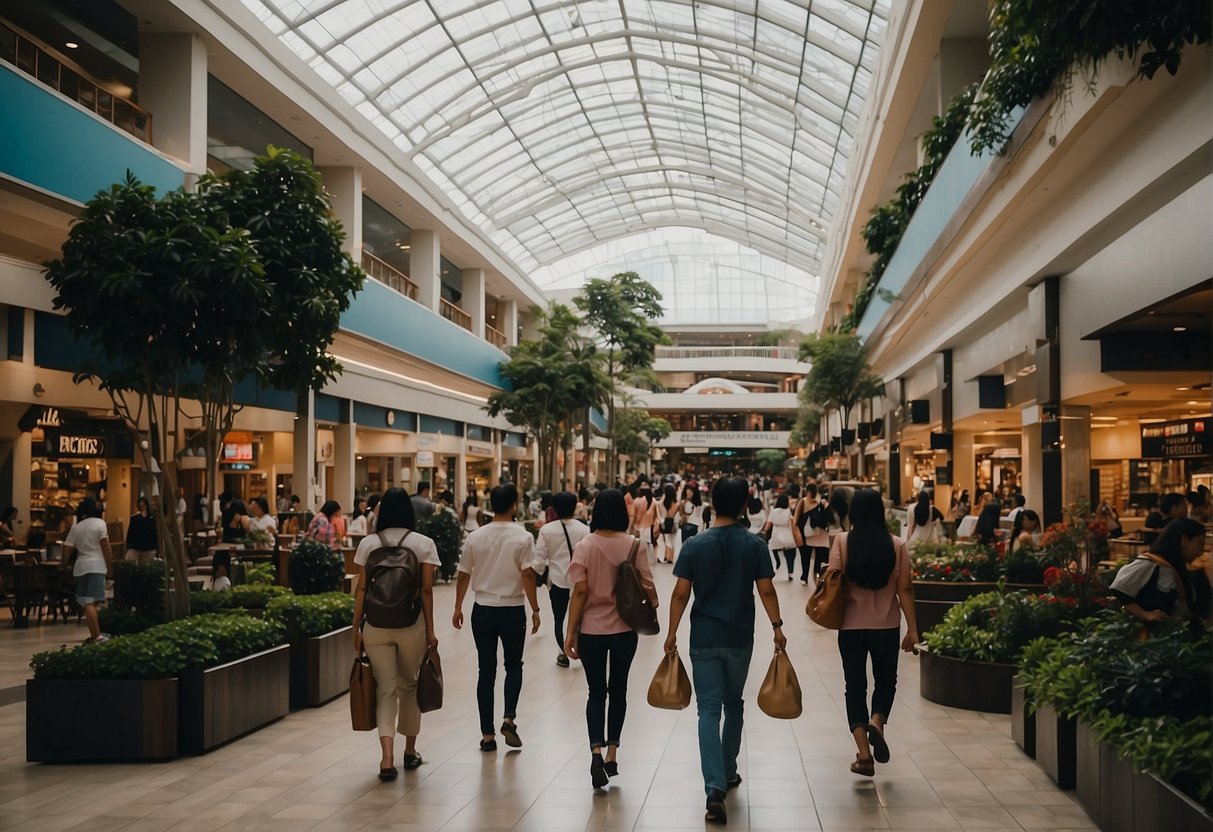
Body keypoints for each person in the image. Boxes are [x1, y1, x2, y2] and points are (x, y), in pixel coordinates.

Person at [665, 477, 786, 825]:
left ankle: (714, 789)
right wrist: (778, 627)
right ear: (745, 506)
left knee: (707, 711)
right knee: (734, 704)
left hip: (703, 637)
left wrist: (672, 632)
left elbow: (679, 594)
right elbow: (766, 591)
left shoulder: (694, 544)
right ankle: (729, 771)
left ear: (713, 504)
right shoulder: (754, 545)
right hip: (738, 637)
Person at [564, 488, 656, 789]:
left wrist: (570, 630)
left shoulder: (585, 545)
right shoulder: (635, 546)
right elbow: (650, 592)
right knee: (619, 689)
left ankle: (595, 751)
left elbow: (579, 591)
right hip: (624, 631)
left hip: (590, 630)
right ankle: (613, 754)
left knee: (596, 692)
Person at [352, 487, 440, 780]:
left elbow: (361, 589)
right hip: (411, 624)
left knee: (385, 688)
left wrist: (356, 627)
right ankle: (409, 751)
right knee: (409, 685)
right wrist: (431, 630)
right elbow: (426, 590)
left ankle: (386, 758)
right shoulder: (423, 543)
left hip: (375, 625)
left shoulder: (368, 544)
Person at [830, 488, 918, 778]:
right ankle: (877, 721)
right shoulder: (897, 545)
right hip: (887, 627)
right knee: (886, 682)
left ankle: (864, 755)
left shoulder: (842, 543)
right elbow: (904, 589)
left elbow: (833, 584)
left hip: (851, 627)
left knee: (854, 687)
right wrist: (913, 630)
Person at [452, 484, 540, 751]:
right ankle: (509, 718)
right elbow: (527, 575)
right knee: (514, 665)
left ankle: (487, 735)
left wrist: (458, 606)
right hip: (512, 609)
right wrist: (535, 608)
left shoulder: (476, 536)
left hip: (483, 610)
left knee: (486, 670)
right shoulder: (523, 537)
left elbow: (464, 573)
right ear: (514, 505)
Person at [532, 491, 590, 668]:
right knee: (580, 616)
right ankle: (579, 647)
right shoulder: (583, 529)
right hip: (579, 581)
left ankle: (563, 653)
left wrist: (536, 577)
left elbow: (540, 559)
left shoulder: (547, 530)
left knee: (559, 617)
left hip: (556, 580)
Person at [1110, 517, 1207, 622]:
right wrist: (1146, 615)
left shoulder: (1177, 568)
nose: (1201, 551)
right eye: (1199, 544)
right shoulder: (1150, 564)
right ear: (1184, 540)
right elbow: (1119, 589)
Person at [62, 497, 112, 643]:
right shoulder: (100, 524)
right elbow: (106, 547)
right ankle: (98, 637)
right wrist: (110, 568)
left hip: (81, 567)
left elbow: (67, 548)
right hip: (97, 566)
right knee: (91, 602)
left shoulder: (77, 527)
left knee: (86, 602)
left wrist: (63, 564)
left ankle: (94, 634)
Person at [795, 483, 831, 584]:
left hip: (806, 533)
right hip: (820, 534)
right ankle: (817, 576)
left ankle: (805, 576)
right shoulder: (821, 501)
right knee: (818, 557)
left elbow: (796, 519)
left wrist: (796, 533)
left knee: (805, 556)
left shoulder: (803, 501)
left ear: (808, 491)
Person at [765, 493, 799, 581]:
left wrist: (765, 532)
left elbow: (768, 526)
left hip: (775, 537)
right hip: (788, 537)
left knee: (774, 551)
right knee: (790, 555)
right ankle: (790, 573)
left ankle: (777, 563)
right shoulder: (788, 511)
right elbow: (792, 524)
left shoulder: (773, 511)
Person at [629, 485, 659, 566]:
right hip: (648, 529)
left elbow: (632, 516)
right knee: (647, 547)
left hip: (637, 528)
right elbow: (657, 517)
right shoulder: (653, 502)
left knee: (637, 548)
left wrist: (629, 529)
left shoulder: (636, 501)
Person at [125, 497, 158, 561]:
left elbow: (154, 532)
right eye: (140, 505)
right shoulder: (135, 518)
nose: (142, 506)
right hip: (137, 545)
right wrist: (129, 545)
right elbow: (131, 532)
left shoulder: (152, 518)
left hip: (149, 545)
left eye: (143, 505)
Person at [660, 483, 681, 564]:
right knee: (673, 540)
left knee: (668, 540)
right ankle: (671, 558)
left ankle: (668, 557)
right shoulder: (676, 504)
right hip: (674, 524)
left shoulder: (664, 503)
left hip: (666, 522)